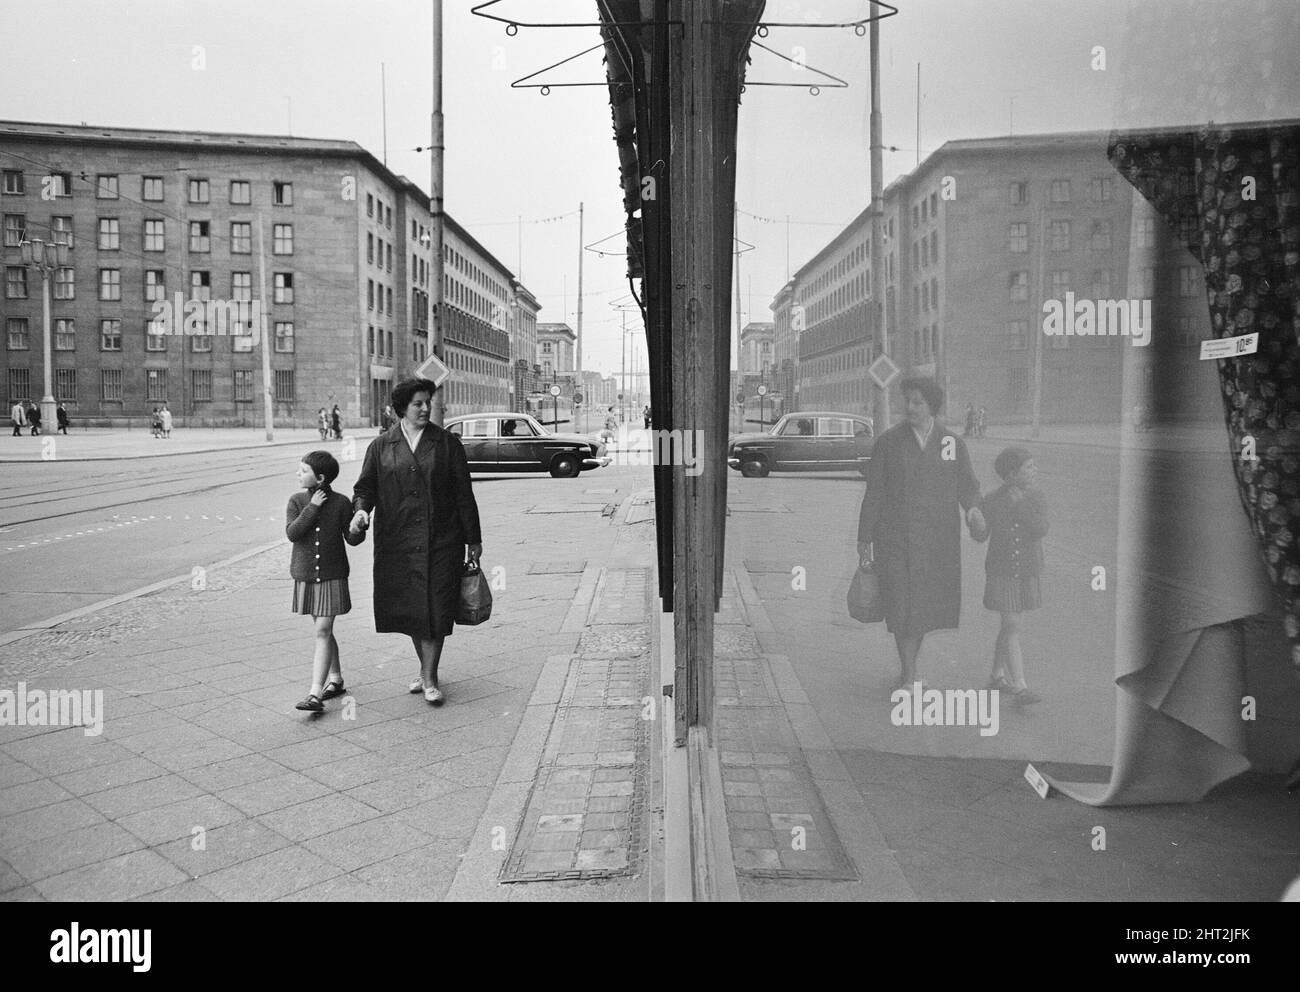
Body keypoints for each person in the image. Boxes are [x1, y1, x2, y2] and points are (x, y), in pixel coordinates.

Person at [351, 378, 483, 706]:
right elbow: (365, 487)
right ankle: (425, 670)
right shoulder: (381, 446)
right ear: (401, 409)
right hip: (398, 541)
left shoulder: (446, 443)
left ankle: (430, 677)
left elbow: (463, 493)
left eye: (428, 403)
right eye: (418, 404)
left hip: (443, 539)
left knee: (437, 607)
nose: (426, 409)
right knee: (411, 609)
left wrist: (473, 539)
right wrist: (361, 511)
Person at [857, 376, 984, 692]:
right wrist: (864, 539)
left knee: (923, 609)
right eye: (908, 401)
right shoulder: (889, 442)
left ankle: (908, 673)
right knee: (903, 606)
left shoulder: (950, 443)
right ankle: (910, 675)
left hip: (936, 542)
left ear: (932, 406)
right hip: (896, 539)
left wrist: (973, 509)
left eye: (918, 402)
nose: (910, 407)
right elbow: (874, 492)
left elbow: (967, 486)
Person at [288, 450, 366, 713]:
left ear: (320, 478)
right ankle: (336, 679)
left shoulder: (342, 503)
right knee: (325, 631)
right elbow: (293, 533)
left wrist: (358, 527)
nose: (298, 474)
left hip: (332, 575)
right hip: (307, 577)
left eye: (303, 470)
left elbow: (352, 539)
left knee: (321, 631)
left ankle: (314, 694)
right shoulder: (297, 501)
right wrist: (313, 507)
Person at [972, 447, 1048, 705]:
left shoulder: (1036, 497)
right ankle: (1020, 687)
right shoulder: (992, 500)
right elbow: (980, 535)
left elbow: (1041, 529)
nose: (1034, 471)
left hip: (1026, 571)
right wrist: (977, 524)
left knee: (1009, 625)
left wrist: (1021, 506)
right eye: (1029, 467)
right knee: (1013, 625)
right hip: (1002, 572)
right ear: (1011, 475)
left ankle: (997, 674)